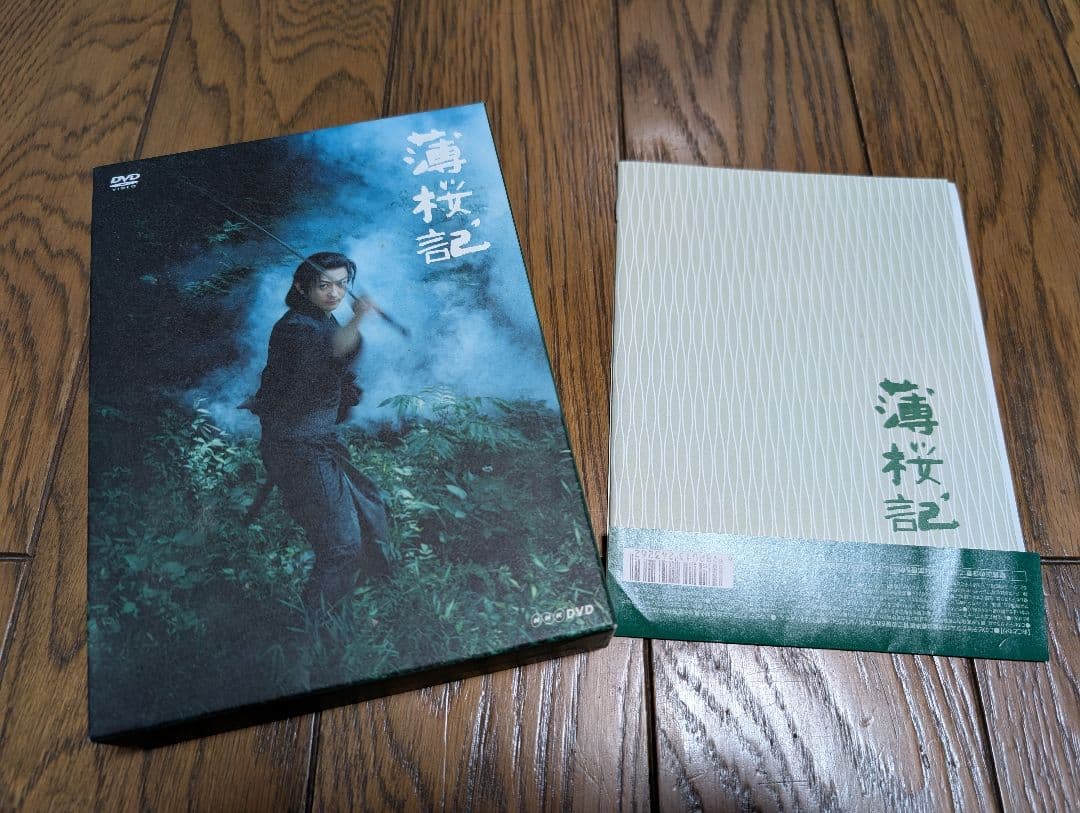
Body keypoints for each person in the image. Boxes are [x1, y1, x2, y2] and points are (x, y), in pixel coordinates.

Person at [246, 251, 393, 612]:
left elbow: (337, 360)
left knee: (370, 510)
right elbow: (332, 354)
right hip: (297, 448)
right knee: (342, 547)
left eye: (341, 285)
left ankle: (351, 609)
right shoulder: (295, 328)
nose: (334, 293)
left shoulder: (322, 319)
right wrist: (358, 319)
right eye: (324, 285)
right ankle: (315, 629)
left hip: (317, 441)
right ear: (302, 286)